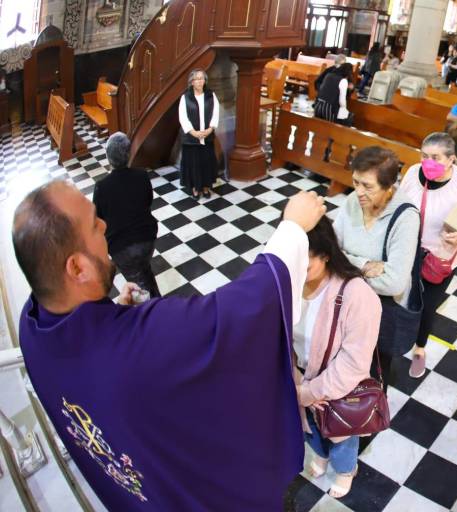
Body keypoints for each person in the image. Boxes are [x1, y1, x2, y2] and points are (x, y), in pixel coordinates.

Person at [13, 181, 327, 510]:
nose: (105, 224)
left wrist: (112, 313)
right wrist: (292, 229)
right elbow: (240, 314)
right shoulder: (143, 343)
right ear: (76, 267)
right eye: (94, 223)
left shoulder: (32, 326)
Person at [294, 217, 381, 499]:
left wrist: (310, 392)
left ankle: (345, 470)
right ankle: (320, 456)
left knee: (342, 435)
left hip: (337, 386)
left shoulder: (357, 295)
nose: (295, 273)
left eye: (305, 266)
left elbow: (354, 363)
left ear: (327, 254)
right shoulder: (288, 282)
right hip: (299, 378)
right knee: (309, 427)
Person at [399, 133, 457, 378]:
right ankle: (396, 336)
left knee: (427, 307)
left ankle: (419, 349)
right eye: (424, 155)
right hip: (406, 249)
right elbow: (398, 201)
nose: (427, 162)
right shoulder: (412, 172)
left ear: (451, 160)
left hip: (439, 256)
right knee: (399, 296)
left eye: (435, 158)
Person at [332, 147, 420, 390]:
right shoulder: (352, 201)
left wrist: (345, 265)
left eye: (368, 186)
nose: (358, 192)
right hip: (348, 307)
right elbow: (332, 251)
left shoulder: (406, 217)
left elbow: (394, 282)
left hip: (382, 314)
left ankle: (370, 419)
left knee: (374, 374)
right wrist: (364, 265)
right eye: (355, 182)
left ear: (389, 185)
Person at [92, 132, 160, 298]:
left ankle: (151, 317)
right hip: (147, 240)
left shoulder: (102, 187)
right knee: (144, 272)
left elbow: (98, 218)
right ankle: (158, 300)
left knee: (138, 288)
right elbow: (147, 201)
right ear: (129, 155)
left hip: (122, 248)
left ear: (108, 157)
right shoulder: (142, 176)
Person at [178, 68, 219, 199]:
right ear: (191, 82)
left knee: (206, 162)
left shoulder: (211, 95)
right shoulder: (185, 97)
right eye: (197, 79)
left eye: (202, 78)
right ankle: (195, 188)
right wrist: (193, 132)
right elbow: (183, 117)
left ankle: (206, 187)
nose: (199, 81)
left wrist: (210, 129)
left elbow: (216, 113)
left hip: (207, 136)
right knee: (194, 164)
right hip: (191, 139)